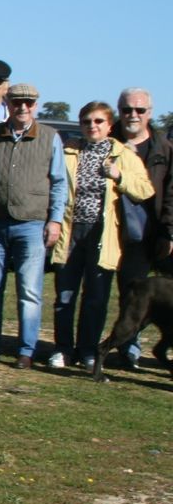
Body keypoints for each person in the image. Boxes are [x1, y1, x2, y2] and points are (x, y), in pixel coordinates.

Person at [48, 103, 153, 371]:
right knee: (64, 296)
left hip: (104, 234)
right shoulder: (69, 150)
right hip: (71, 231)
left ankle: (88, 350)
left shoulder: (123, 155)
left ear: (109, 125)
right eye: (86, 121)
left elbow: (145, 190)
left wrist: (120, 176)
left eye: (98, 121)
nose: (91, 126)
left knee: (96, 296)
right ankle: (62, 349)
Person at [0, 83, 66, 368]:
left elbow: (60, 183)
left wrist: (55, 219)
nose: (22, 107)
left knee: (29, 291)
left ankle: (26, 351)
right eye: (17, 102)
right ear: (8, 104)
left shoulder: (50, 137)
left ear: (35, 106)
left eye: (28, 103)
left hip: (32, 224)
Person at [108, 88, 173, 369]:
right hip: (114, 229)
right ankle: (121, 348)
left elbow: (171, 193)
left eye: (140, 110)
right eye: (127, 110)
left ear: (149, 113)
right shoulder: (106, 141)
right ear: (119, 111)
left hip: (153, 232)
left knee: (155, 297)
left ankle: (134, 350)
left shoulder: (164, 148)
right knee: (127, 295)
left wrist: (169, 231)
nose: (133, 115)